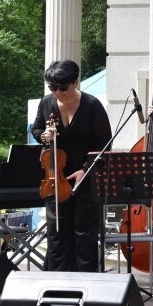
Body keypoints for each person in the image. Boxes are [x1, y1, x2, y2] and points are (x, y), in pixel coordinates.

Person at [31, 60, 112, 272]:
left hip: (85, 177)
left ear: (75, 82)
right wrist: (44, 136)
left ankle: (85, 283)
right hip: (55, 177)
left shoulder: (92, 105)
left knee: (84, 234)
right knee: (56, 233)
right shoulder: (46, 103)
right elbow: (37, 129)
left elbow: (105, 143)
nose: (57, 92)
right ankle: (57, 282)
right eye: (52, 87)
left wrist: (86, 169)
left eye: (62, 87)